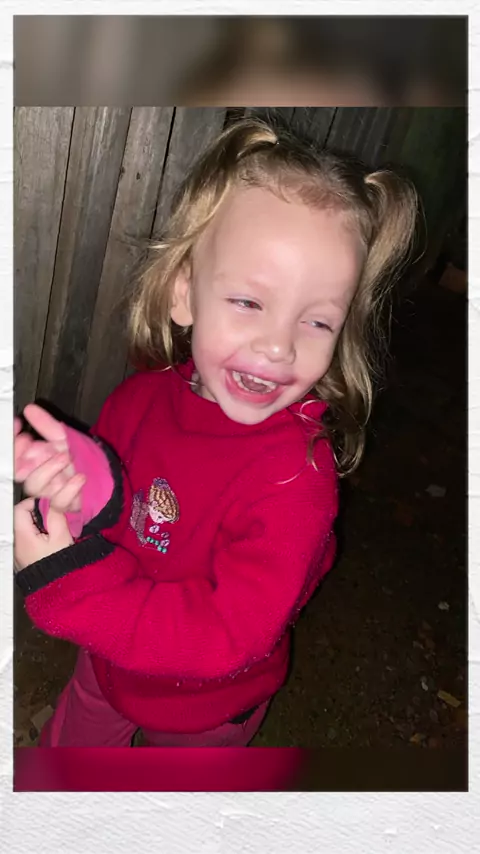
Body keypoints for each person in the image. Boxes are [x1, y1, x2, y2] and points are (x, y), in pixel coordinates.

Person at [14, 117, 417, 747]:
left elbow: (227, 634)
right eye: (249, 302)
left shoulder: (295, 483)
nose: (279, 345)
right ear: (185, 295)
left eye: (318, 321)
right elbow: (132, 503)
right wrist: (84, 482)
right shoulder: (143, 397)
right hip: (109, 660)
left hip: (205, 709)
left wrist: (75, 591)